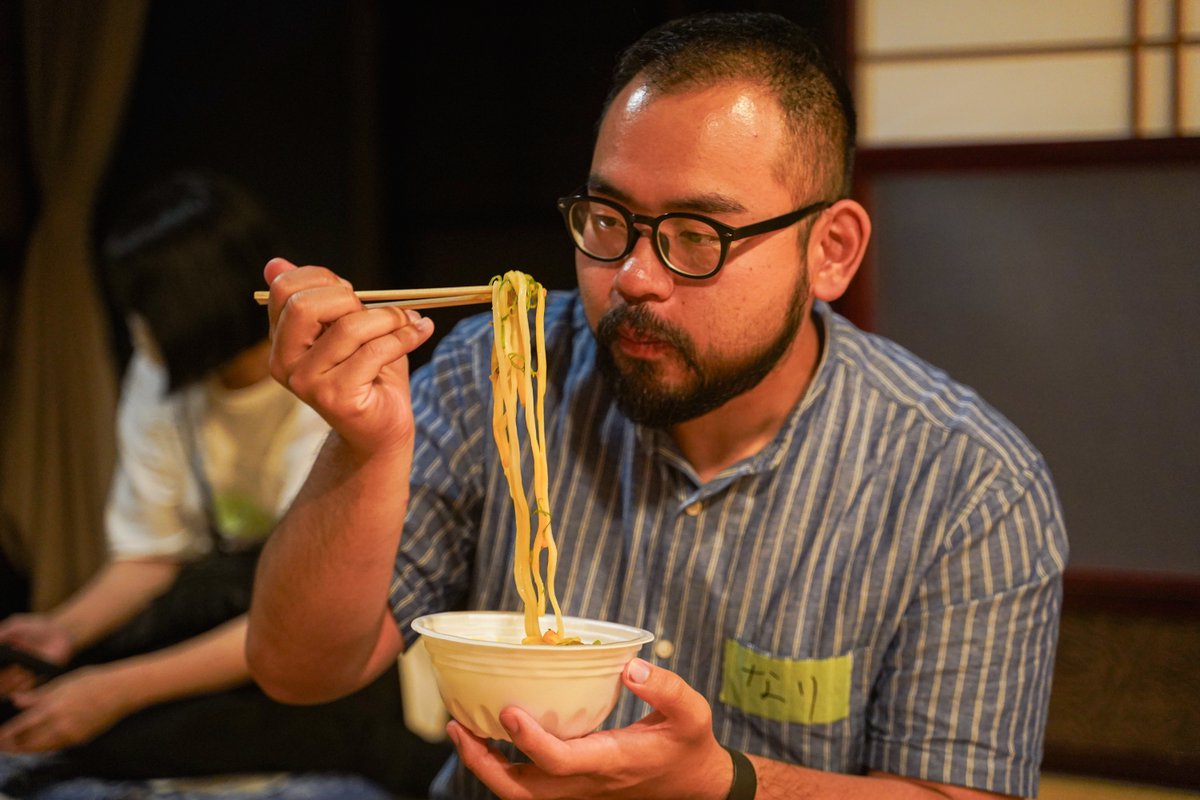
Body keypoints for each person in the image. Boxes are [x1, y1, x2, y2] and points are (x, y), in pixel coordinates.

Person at [247, 11, 1068, 800]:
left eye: (697, 235)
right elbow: (298, 669)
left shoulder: (971, 486)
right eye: (609, 219)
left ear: (831, 251)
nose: (634, 276)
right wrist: (364, 447)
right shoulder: (499, 371)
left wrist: (722, 784)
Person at [0, 172, 448, 796]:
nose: (135, 325)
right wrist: (63, 631)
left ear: (183, 304)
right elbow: (151, 554)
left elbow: (308, 623)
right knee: (64, 702)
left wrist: (116, 690)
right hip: (233, 628)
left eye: (141, 307)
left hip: (337, 651)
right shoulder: (162, 381)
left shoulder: (332, 388)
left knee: (105, 736)